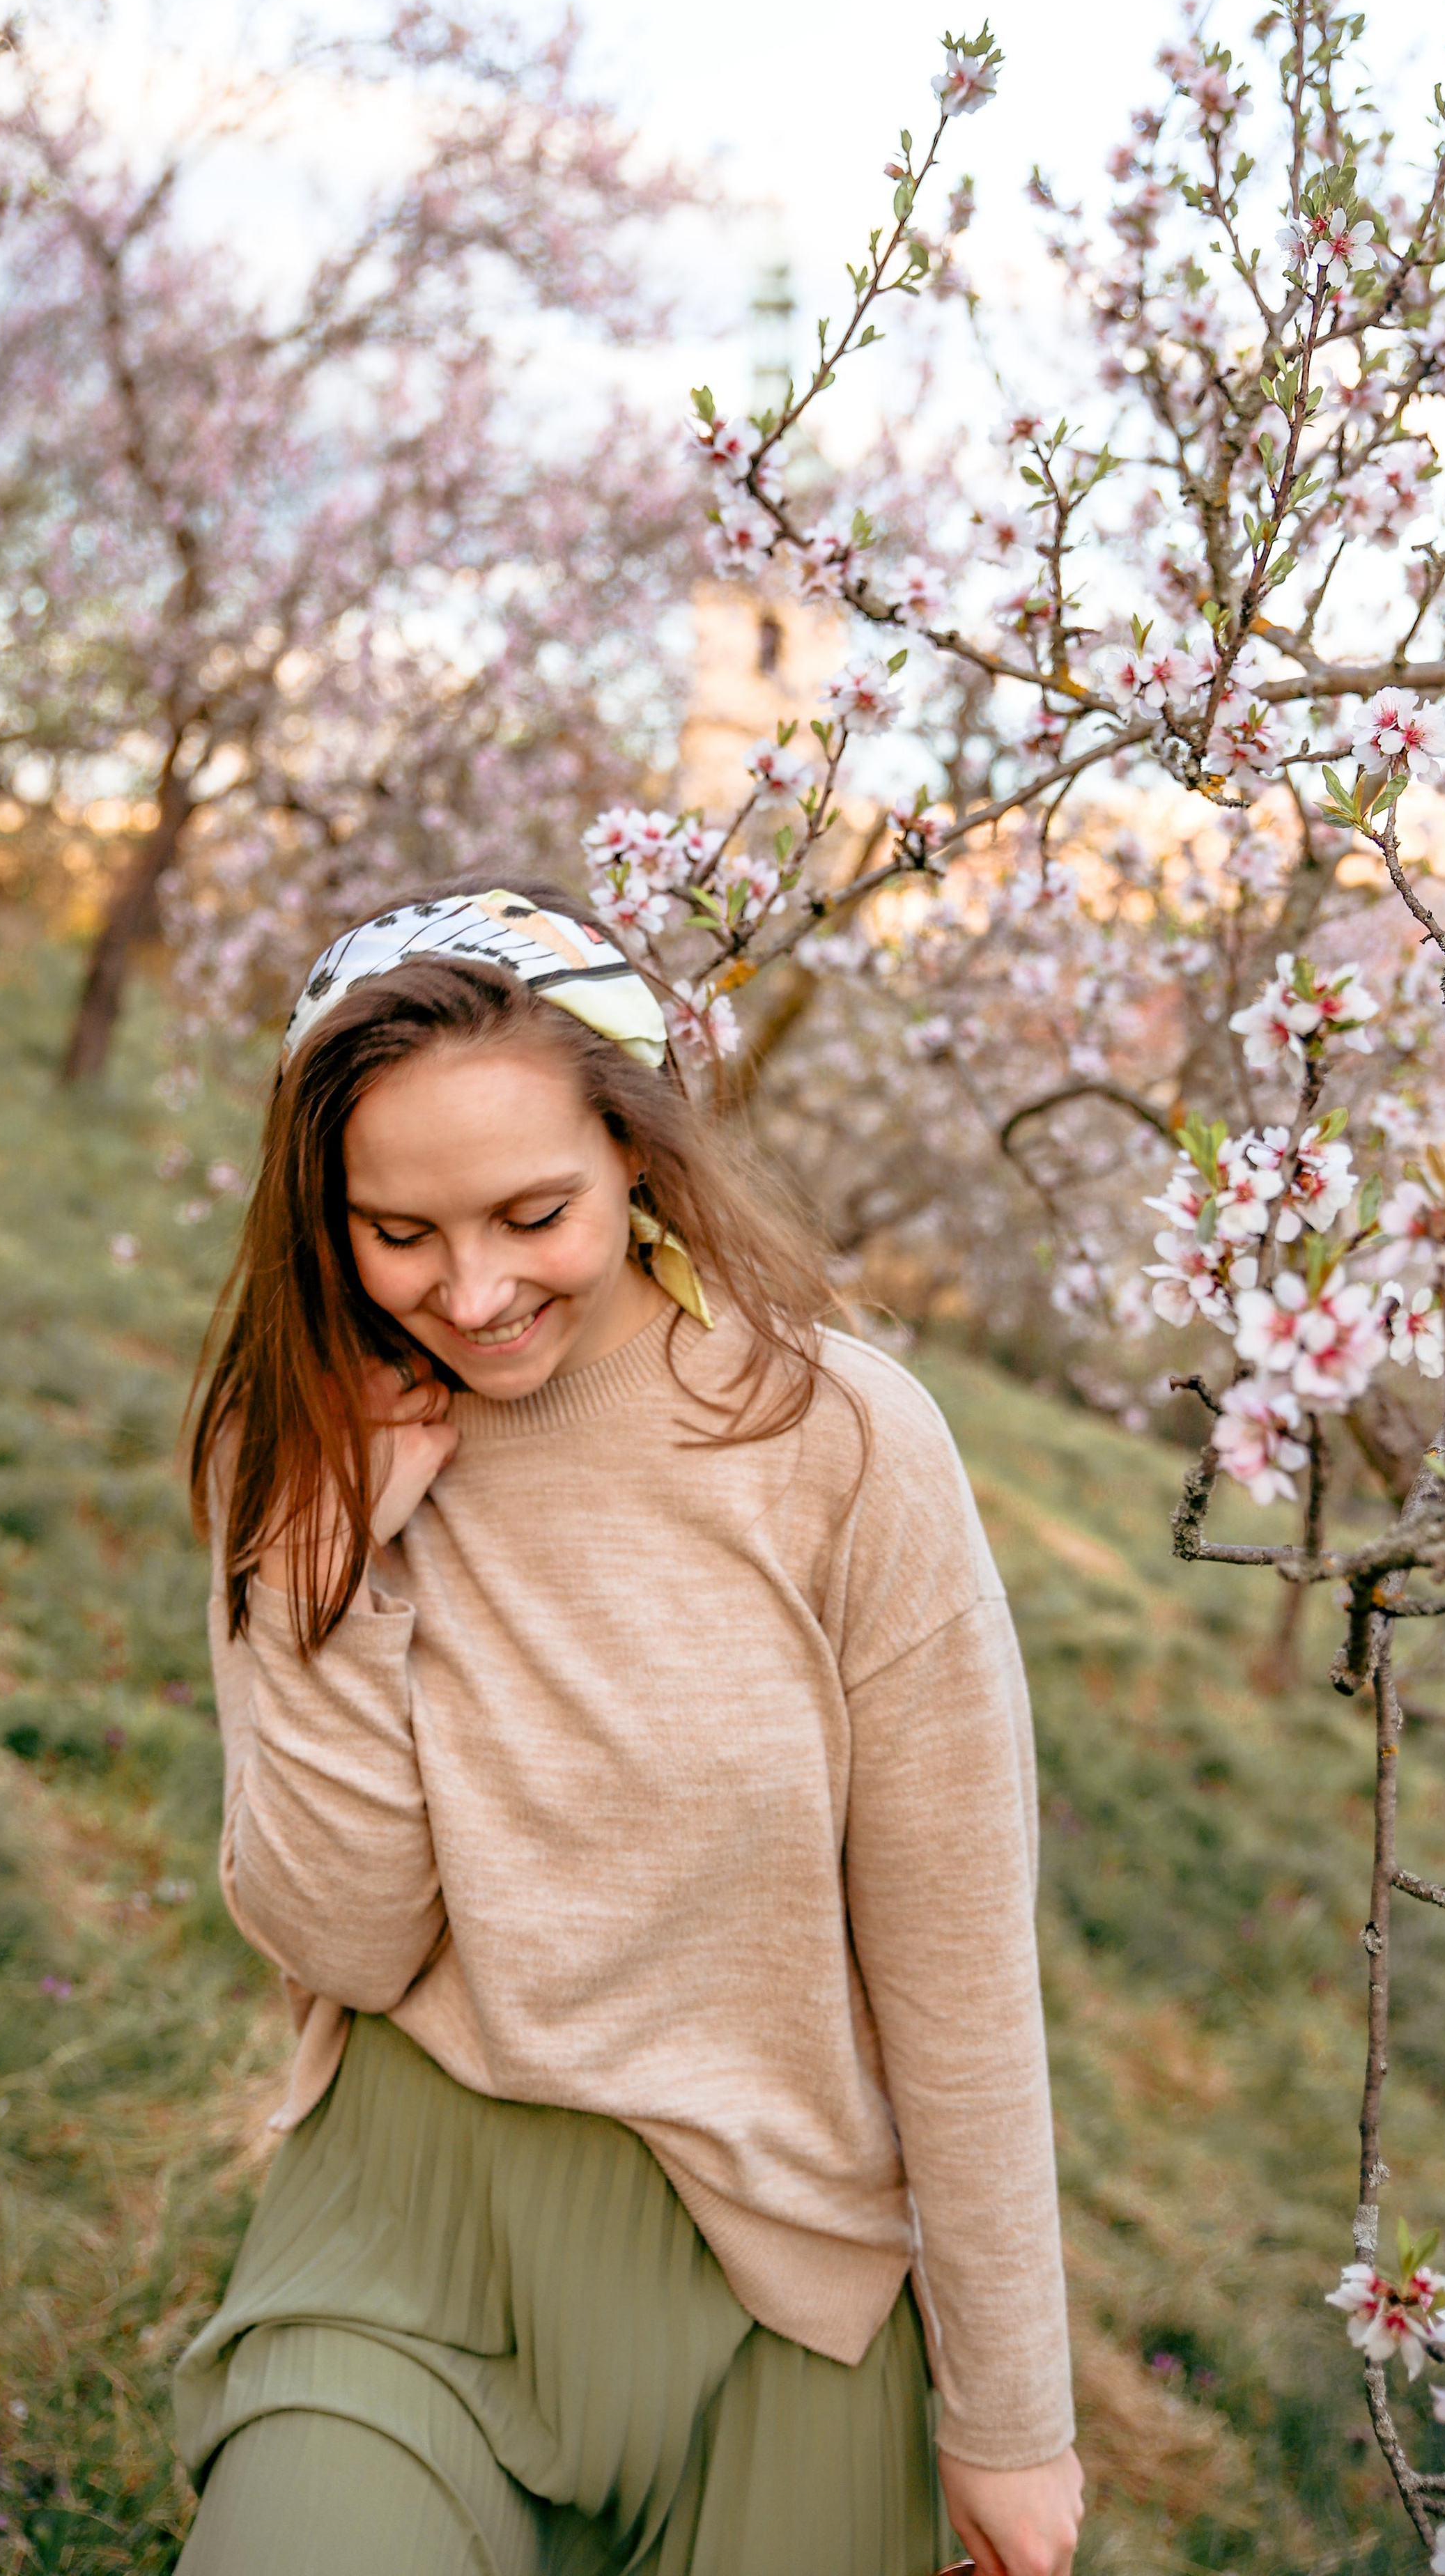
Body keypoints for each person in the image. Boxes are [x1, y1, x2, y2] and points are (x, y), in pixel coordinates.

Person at [172, 880, 1083, 2576]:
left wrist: (1009, 2417)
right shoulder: (294, 1435)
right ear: (322, 1218)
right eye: (399, 1233)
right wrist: (324, 1585)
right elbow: (350, 1939)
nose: (473, 1290)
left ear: (638, 1154)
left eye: (534, 1213)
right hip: (408, 2238)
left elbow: (954, 1964)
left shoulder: (842, 1443)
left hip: (785, 2291)